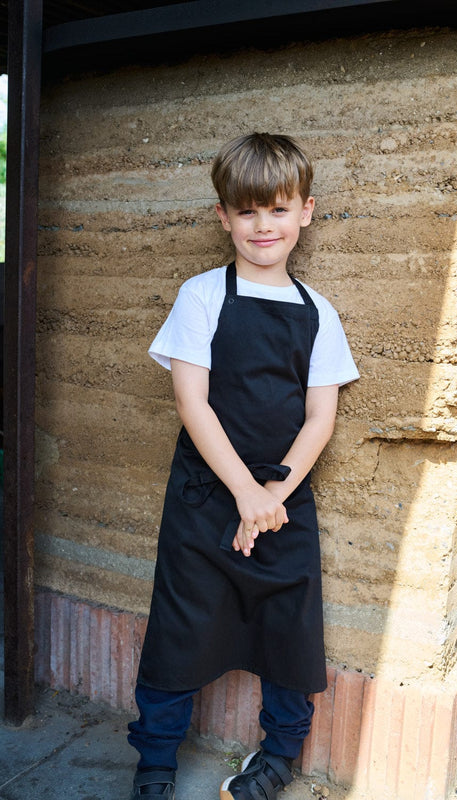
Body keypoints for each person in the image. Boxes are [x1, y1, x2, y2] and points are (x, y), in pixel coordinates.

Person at [128, 132, 359, 800]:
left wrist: (272, 492)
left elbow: (320, 417)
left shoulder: (320, 315)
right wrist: (242, 493)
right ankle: (154, 765)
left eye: (279, 209)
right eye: (248, 210)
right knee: (181, 625)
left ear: (305, 212)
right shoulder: (200, 296)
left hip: (284, 499)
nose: (264, 225)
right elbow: (191, 402)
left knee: (290, 629)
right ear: (223, 215)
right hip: (206, 495)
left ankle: (277, 759)